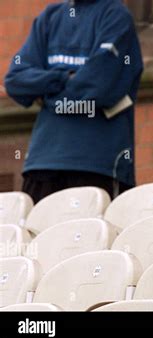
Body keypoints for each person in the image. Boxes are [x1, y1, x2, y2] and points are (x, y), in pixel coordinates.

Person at [5, 0, 143, 203]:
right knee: (39, 234)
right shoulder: (50, 17)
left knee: (93, 234)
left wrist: (47, 95)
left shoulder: (116, 16)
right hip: (42, 164)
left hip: (97, 165)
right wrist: (64, 78)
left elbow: (101, 86)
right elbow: (15, 80)